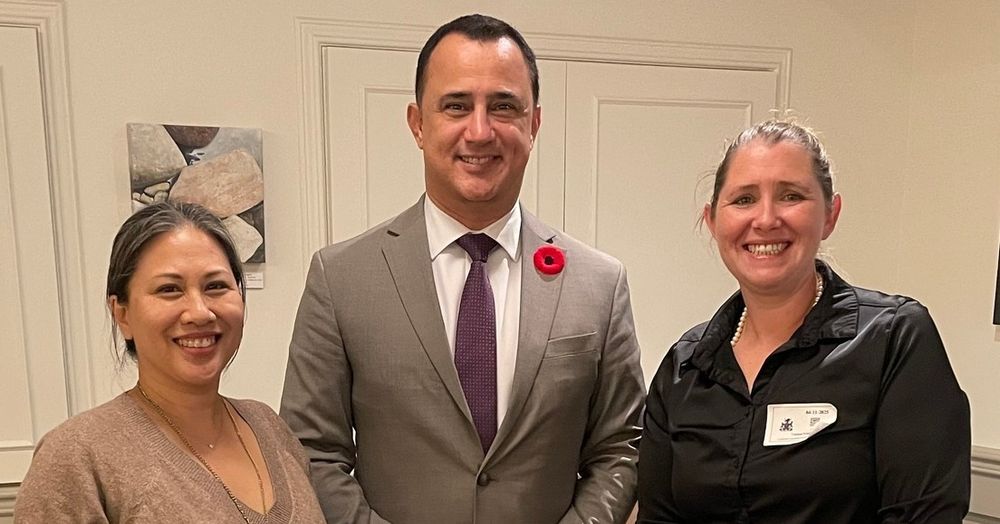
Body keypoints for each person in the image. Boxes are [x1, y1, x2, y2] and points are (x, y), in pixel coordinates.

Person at [280, 13, 645, 524]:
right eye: (456, 106)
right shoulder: (340, 279)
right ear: (418, 123)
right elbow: (312, 451)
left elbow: (620, 448)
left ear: (533, 123)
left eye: (503, 106)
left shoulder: (599, 284)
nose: (480, 130)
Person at [637, 120, 971, 523]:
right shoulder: (684, 368)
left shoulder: (893, 339)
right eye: (743, 199)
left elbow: (925, 515)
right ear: (712, 221)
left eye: (791, 196)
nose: (765, 219)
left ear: (830, 215)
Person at [14, 202, 324, 523]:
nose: (200, 312)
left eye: (216, 286)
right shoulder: (77, 457)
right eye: (169, 289)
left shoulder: (270, 428)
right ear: (122, 314)